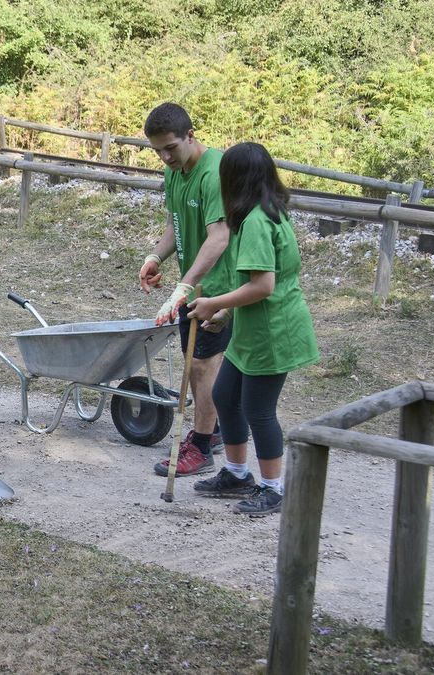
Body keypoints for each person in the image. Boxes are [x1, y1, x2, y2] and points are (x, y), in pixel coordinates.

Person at [186, 142, 319, 515]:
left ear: (233, 181)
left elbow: (264, 286)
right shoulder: (267, 211)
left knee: (259, 410)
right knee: (226, 396)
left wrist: (214, 303)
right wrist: (227, 314)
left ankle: (273, 488)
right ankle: (236, 472)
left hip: (273, 332)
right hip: (252, 329)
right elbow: (259, 283)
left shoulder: (259, 221)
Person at [139, 102, 231, 478]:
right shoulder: (176, 173)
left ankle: (202, 445)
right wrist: (155, 257)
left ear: (191, 135)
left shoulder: (215, 174)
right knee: (205, 365)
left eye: (170, 148)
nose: (164, 157)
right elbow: (176, 222)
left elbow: (219, 237)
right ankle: (218, 429)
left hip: (219, 288)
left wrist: (184, 285)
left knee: (201, 366)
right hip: (193, 286)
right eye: (157, 150)